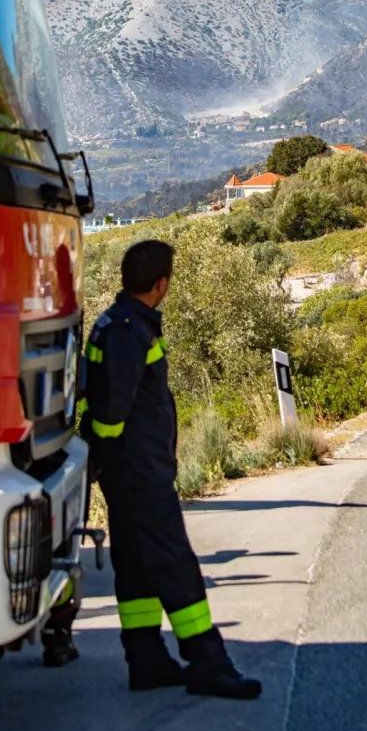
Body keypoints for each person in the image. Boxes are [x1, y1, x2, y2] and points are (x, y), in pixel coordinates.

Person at [81, 239, 261, 700]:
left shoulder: (116, 322)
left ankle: (147, 660)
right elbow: (113, 410)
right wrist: (106, 451)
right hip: (138, 472)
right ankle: (207, 662)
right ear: (161, 284)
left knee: (136, 565)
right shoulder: (129, 330)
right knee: (174, 563)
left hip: (129, 469)